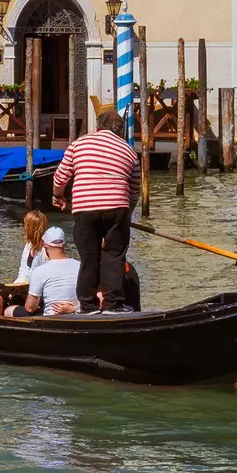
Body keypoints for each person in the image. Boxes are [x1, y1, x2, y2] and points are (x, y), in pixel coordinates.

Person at [52, 108, 142, 313]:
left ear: (98, 127)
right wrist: (126, 217)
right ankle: (113, 304)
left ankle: (88, 305)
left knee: (89, 257)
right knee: (114, 256)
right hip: (117, 208)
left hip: (85, 208)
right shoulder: (129, 151)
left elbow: (60, 177)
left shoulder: (79, 144)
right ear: (120, 131)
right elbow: (134, 190)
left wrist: (58, 196)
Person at [8, 226, 82, 317]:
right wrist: (75, 308)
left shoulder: (39, 271)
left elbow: (30, 308)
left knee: (9, 310)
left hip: (50, 318)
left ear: (44, 244)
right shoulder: (81, 266)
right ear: (65, 244)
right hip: (77, 314)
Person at [11, 209, 51, 285]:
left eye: (26, 224)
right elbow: (23, 270)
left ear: (31, 228)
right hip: (26, 285)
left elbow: (46, 276)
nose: (24, 227)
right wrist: (17, 284)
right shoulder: (29, 245)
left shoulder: (46, 250)